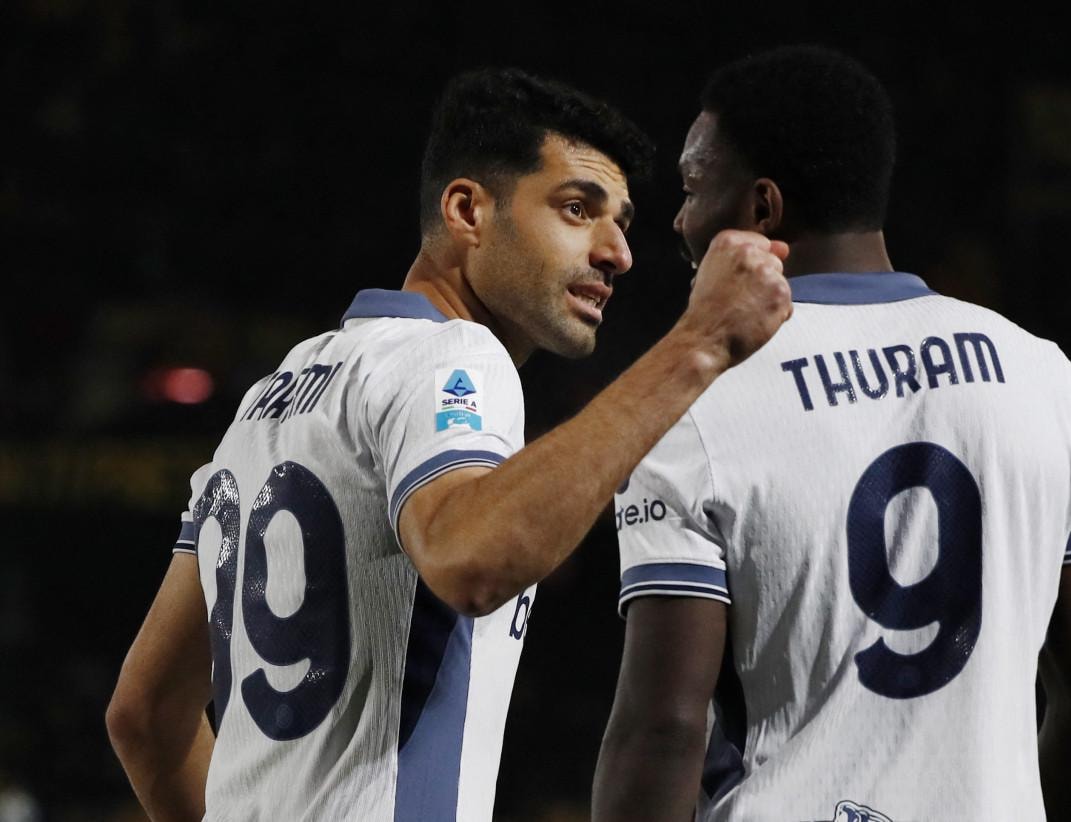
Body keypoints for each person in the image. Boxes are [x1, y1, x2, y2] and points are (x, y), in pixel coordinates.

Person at [105, 67, 793, 822]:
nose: (617, 252)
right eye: (576, 209)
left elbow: (145, 714)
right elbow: (473, 559)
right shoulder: (455, 358)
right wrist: (698, 344)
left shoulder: (272, 395)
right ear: (468, 211)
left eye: (622, 223)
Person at [592, 45, 1071, 822]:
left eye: (691, 189)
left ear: (763, 210)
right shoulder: (1044, 377)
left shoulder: (692, 401)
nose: (678, 220)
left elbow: (663, 731)